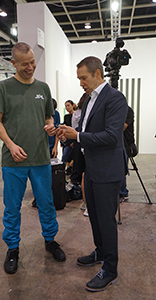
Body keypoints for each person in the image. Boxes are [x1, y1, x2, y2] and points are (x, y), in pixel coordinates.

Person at [0, 42, 66, 275]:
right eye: (25, 64)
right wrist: (11, 145)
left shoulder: (43, 88)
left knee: (46, 203)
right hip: (13, 160)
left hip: (40, 158)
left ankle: (50, 240)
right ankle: (13, 248)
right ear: (13, 63)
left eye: (33, 62)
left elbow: (48, 118)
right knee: (12, 207)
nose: (30, 67)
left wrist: (51, 127)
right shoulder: (3, 87)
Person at [57, 56, 128, 292]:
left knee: (106, 220)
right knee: (95, 216)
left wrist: (76, 136)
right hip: (91, 168)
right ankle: (101, 251)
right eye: (79, 79)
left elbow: (110, 136)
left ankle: (110, 268)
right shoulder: (89, 101)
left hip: (107, 170)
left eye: (83, 78)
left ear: (98, 74)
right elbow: (85, 131)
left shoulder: (115, 98)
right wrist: (67, 131)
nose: (80, 83)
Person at [119, 106, 137, 202]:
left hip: (126, 143)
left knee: (121, 169)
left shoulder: (128, 110)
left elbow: (123, 127)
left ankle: (122, 193)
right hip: (116, 143)